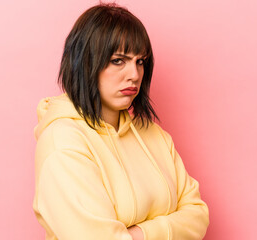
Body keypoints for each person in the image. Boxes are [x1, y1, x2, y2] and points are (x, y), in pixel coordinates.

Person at [33, 3, 209, 240]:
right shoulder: (62, 142)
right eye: (118, 60)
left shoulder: (154, 135)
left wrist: (139, 234)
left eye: (140, 61)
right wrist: (170, 226)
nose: (134, 75)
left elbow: (198, 215)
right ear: (86, 63)